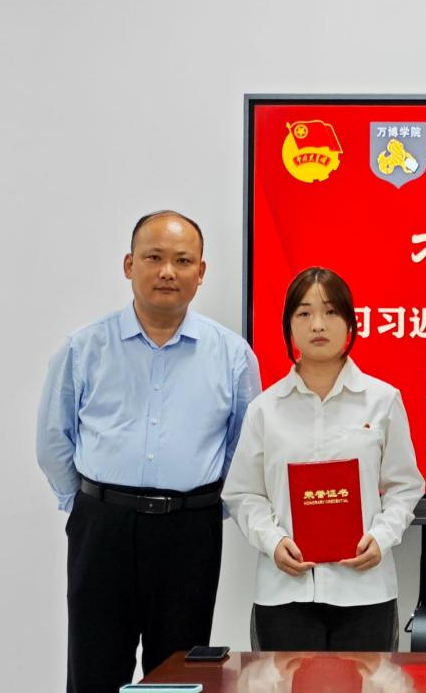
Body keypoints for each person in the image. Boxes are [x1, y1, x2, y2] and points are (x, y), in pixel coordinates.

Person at [36, 211, 260, 693]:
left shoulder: (231, 354)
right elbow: (54, 440)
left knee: (179, 675)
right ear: (128, 264)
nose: (167, 272)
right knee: (95, 669)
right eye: (153, 258)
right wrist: (88, 505)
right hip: (103, 527)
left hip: (189, 533)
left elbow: (244, 448)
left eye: (183, 261)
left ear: (201, 272)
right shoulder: (84, 347)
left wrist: (203, 507)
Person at [224, 267, 423, 651]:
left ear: (350, 323)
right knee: (285, 683)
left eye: (331, 311)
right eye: (304, 313)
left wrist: (382, 537)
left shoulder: (382, 400)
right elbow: (244, 494)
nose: (318, 324)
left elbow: (405, 486)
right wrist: (273, 541)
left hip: (365, 590)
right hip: (285, 590)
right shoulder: (265, 409)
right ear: (289, 326)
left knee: (367, 682)